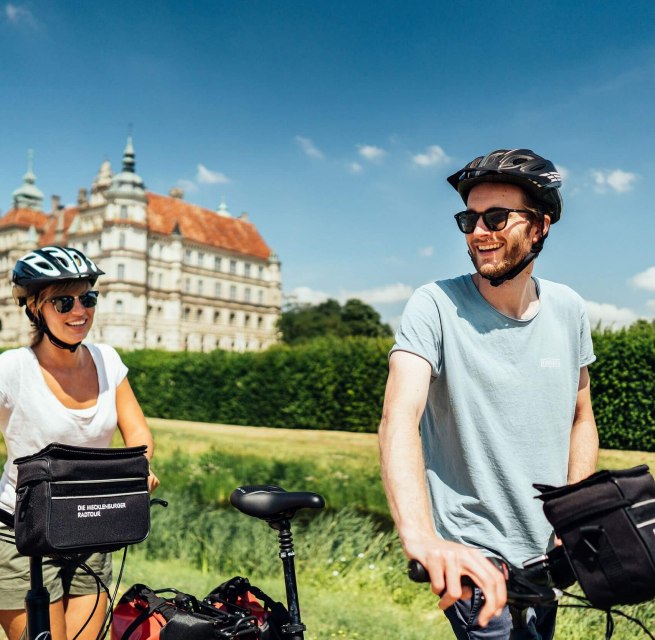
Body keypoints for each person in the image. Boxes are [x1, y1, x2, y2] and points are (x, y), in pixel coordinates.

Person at [378, 149, 598, 639]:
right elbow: (399, 418)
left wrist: (574, 513)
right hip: (473, 557)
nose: (479, 232)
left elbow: (581, 417)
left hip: (546, 553)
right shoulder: (434, 304)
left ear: (539, 227)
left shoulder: (569, 309)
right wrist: (420, 537)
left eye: (496, 217)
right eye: (469, 219)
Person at [0, 246, 160, 640]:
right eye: (64, 301)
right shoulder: (13, 369)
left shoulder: (107, 360)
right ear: (35, 306)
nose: (80, 311)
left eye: (88, 298)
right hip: (22, 533)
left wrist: (137, 471)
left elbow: (138, 435)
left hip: (92, 524)